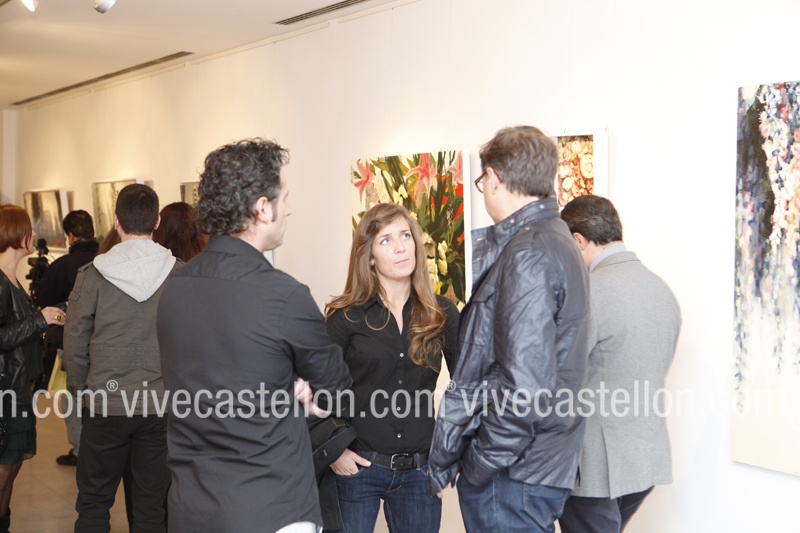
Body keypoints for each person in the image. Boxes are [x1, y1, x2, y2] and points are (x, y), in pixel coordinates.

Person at [156, 138, 352, 533]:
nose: (289, 209)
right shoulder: (284, 295)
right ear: (263, 208)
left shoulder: (175, 287)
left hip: (190, 506)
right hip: (270, 507)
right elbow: (337, 392)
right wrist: (303, 398)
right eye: (284, 198)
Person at [427, 125, 590, 533]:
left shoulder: (529, 251)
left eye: (482, 181)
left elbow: (525, 389)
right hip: (535, 465)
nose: (483, 190)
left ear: (495, 178)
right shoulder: (556, 239)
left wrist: (479, 463)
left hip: (513, 474)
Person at [320, 203, 459, 532]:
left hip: (419, 472)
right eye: (386, 240)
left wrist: (447, 454)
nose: (400, 247)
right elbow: (316, 392)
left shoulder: (442, 313)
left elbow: (467, 387)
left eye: (405, 236)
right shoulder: (344, 316)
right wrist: (335, 451)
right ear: (369, 256)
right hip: (357, 468)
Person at [557, 195, 681, 533]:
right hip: (644, 458)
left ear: (578, 240)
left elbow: (559, 376)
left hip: (596, 467)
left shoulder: (588, 293)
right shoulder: (661, 290)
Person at [64, 184, 178, 533]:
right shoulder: (180, 273)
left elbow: (75, 342)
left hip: (105, 403)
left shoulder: (93, 274)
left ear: (116, 221)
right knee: (150, 509)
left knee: (93, 504)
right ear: (156, 222)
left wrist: (80, 395)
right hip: (159, 405)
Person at [0, 205, 65, 533]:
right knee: (3, 470)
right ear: (14, 234)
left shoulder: (12, 281)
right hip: (5, 393)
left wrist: (47, 317)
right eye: (29, 229)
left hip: (19, 389)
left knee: (10, 470)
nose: (35, 235)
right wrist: (39, 319)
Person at [33, 209, 100, 467]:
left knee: (72, 395)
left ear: (70, 235)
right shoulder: (106, 259)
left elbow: (44, 304)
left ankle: (81, 449)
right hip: (106, 340)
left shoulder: (61, 266)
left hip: (70, 343)